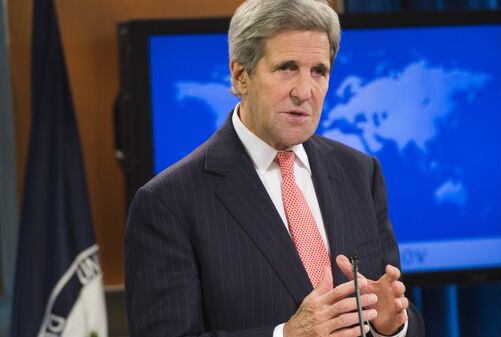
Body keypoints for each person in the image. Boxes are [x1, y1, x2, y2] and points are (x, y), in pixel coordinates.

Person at [125, 0, 425, 336]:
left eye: (319, 71)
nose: (304, 91)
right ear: (241, 76)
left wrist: (391, 326)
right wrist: (286, 335)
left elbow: (399, 311)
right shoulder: (167, 202)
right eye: (286, 68)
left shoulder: (360, 172)